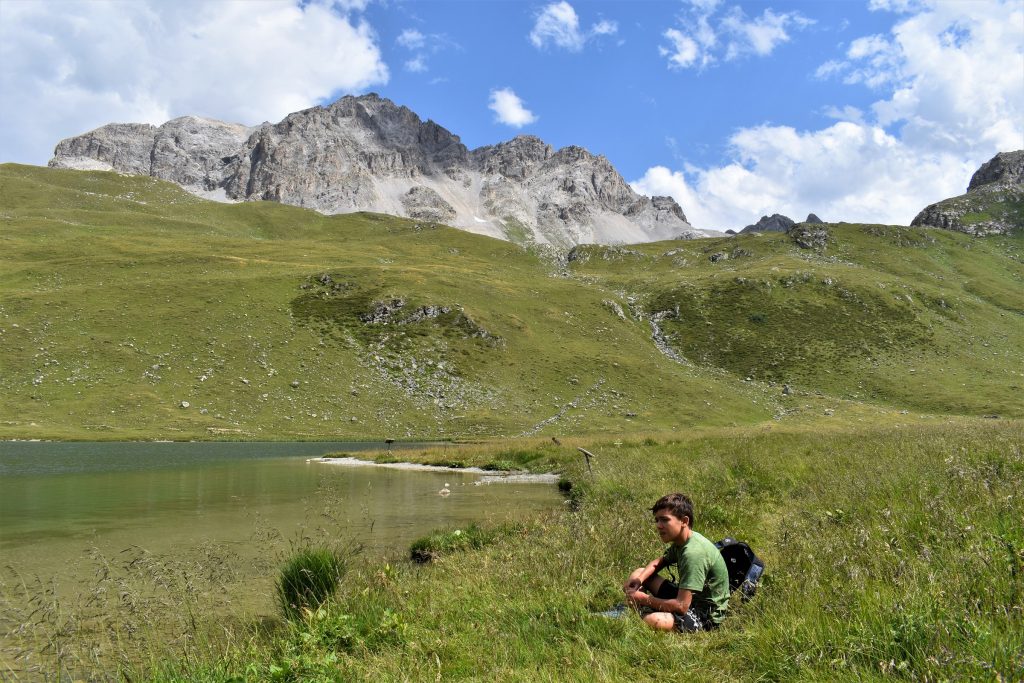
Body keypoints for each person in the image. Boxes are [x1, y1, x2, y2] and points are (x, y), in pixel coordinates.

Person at [622, 493, 730, 632]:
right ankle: (643, 612)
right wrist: (640, 580)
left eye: (665, 520)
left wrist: (642, 598)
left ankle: (643, 615)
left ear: (684, 521)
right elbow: (659, 562)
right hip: (689, 599)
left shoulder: (693, 553)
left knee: (654, 620)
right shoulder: (683, 541)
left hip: (704, 615)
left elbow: (681, 606)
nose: (659, 526)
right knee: (638, 573)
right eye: (657, 520)